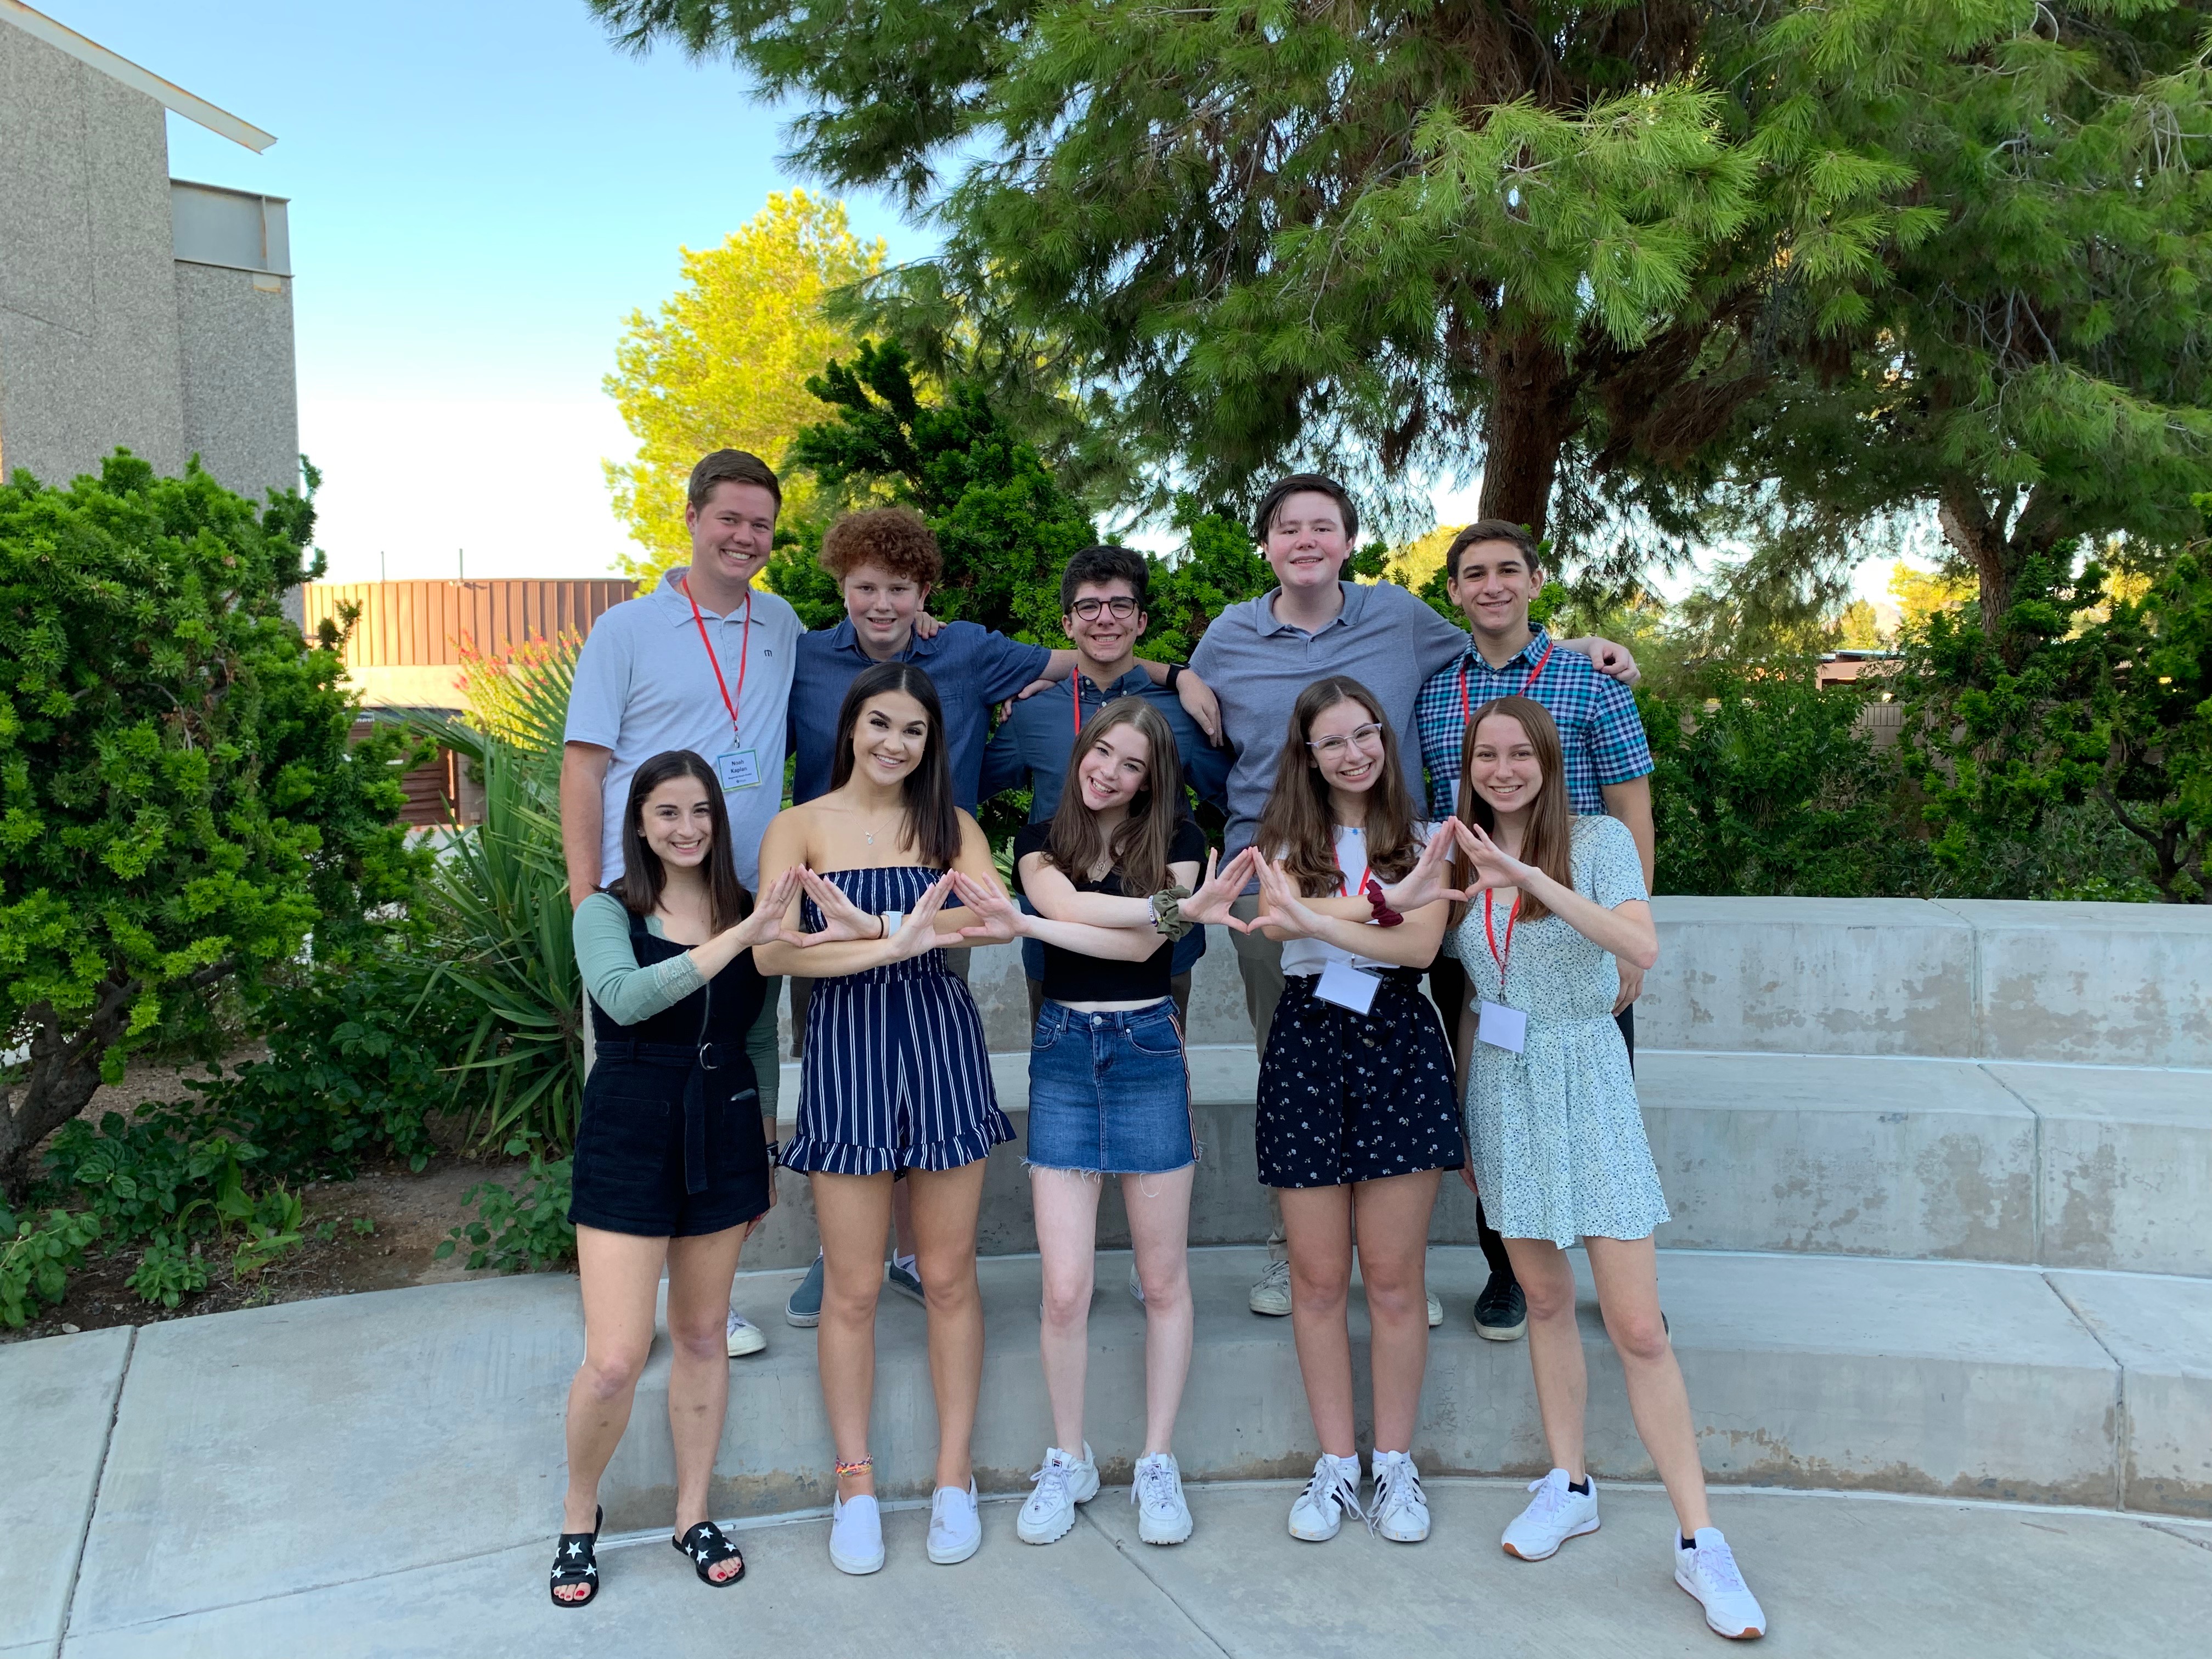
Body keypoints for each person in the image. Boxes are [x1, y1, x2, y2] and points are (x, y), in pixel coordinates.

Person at [1188, 473, 1638, 1321]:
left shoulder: (1396, 616)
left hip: (1396, 852)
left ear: (1348, 541)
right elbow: (1182, 691)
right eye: (1289, 528)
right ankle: (1298, 1249)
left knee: (1423, 1052)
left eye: (1324, 526)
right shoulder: (1229, 634)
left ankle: (1412, 1262)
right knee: (1290, 1062)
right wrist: (1179, 679)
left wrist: (1585, 646)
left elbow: (1494, 634)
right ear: (1267, 544)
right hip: (1276, 863)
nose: (1306, 540)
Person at [781, 510, 1223, 1328]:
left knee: (1139, 1086)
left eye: (901, 588)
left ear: (925, 592)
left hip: (1024, 911)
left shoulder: (976, 653)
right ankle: (845, 1253)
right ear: (840, 586)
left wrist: (1182, 673)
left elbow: (1199, 768)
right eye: (866, 587)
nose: (882, 603)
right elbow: (985, 774)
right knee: (843, 1083)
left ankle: (1141, 1261)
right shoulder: (805, 657)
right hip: (847, 891)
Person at [1447, 696, 1766, 1641]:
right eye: (1486, 755)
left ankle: (1700, 1539)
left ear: (1548, 760)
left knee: (1635, 1326)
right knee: (1544, 1301)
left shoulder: (1595, 840)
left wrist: (1527, 878)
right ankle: (1570, 1482)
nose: (1503, 769)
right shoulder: (1459, 851)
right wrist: (1464, 1114)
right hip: (1502, 1087)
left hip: (1586, 1075)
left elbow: (1640, 944)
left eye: (1520, 753)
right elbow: (1471, 996)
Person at [951, 699, 1254, 1550]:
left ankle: (1157, 1460)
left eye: (1132, 764)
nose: (1109, 772)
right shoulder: (1042, 837)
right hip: (1062, 1055)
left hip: (1148, 1049)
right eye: (1102, 752)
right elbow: (1069, 909)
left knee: (1163, 1282)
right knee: (1064, 1289)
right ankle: (1069, 1457)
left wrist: (1147, 917)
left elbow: (1133, 951)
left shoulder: (1182, 838)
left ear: (1152, 779)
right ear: (1082, 749)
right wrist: (1174, 910)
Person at [751, 661, 1019, 1576]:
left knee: (946, 1274)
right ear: (850, 726)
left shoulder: (953, 826)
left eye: (913, 729)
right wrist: (889, 940)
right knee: (854, 1286)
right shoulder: (798, 825)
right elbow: (772, 954)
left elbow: (991, 923)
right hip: (847, 1045)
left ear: (930, 741)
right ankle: (855, 1483)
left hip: (939, 1039)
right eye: (880, 723)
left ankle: (953, 1476)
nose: (894, 743)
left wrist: (872, 928)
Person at [552, 751, 809, 1607]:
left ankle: (691, 1513)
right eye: (668, 812)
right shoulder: (604, 910)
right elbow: (623, 1000)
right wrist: (740, 937)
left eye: (701, 811)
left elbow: (761, 1038)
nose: (688, 828)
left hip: (725, 1128)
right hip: (630, 1132)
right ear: (639, 822)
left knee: (702, 1336)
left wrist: (765, 1146)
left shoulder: (743, 906)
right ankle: (579, 1514)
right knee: (616, 1357)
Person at [562, 448, 799, 1360]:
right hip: (645, 904)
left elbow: (872, 642)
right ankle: (617, 1291)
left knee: (732, 1084)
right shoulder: (626, 629)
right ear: (693, 516)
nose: (745, 536)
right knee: (637, 1095)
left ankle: (706, 1299)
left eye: (761, 524)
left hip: (740, 905)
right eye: (729, 518)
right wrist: (591, 900)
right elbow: (585, 765)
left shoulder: (780, 623)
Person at [1413, 520, 1657, 1343]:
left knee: (1598, 1101)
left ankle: (1622, 1277)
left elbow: (1631, 806)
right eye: (1475, 573)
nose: (1493, 586)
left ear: (1535, 580)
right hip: (1479, 925)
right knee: (1495, 1095)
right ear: (1453, 590)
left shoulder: (1593, 682)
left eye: (1508, 570)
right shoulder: (1435, 691)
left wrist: (1628, 927)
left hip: (1577, 929)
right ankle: (1509, 1272)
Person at [1242, 677, 1465, 1547]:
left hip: (1399, 1039)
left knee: (1397, 1281)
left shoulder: (1423, 836)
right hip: (1308, 1044)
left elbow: (1419, 948)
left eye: (1364, 733)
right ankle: (1337, 1463)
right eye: (1332, 741)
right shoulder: (1282, 840)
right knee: (1318, 1279)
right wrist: (1384, 903)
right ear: (1307, 754)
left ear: (1384, 736)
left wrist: (1325, 914)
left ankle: (1395, 1464)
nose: (1353, 752)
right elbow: (1273, 922)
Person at [980, 544, 1232, 1031]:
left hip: (1160, 947)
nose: (1105, 619)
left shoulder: (1181, 712)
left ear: (1141, 620)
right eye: (1089, 607)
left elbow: (1239, 796)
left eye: (1120, 605)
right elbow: (965, 788)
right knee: (1056, 1073)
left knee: (1161, 1071)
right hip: (1057, 945)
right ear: (1068, 623)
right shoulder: (1032, 711)